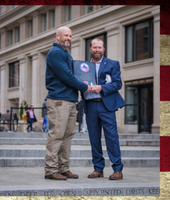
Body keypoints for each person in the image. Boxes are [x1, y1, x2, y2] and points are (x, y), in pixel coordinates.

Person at [43, 26, 93, 180]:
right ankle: (51, 170)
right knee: (57, 135)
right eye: (66, 35)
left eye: (70, 36)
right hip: (59, 100)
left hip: (70, 100)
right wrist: (86, 86)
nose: (68, 38)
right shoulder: (56, 52)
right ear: (57, 36)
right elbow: (66, 76)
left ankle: (63, 168)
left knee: (67, 136)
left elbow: (73, 74)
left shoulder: (65, 53)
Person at [82, 38, 126, 180]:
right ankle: (98, 169)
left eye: (99, 47)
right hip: (90, 105)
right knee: (94, 139)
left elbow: (118, 84)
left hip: (106, 106)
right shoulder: (83, 66)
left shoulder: (113, 64)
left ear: (104, 49)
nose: (97, 50)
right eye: (94, 47)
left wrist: (101, 87)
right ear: (90, 49)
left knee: (112, 138)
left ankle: (118, 169)